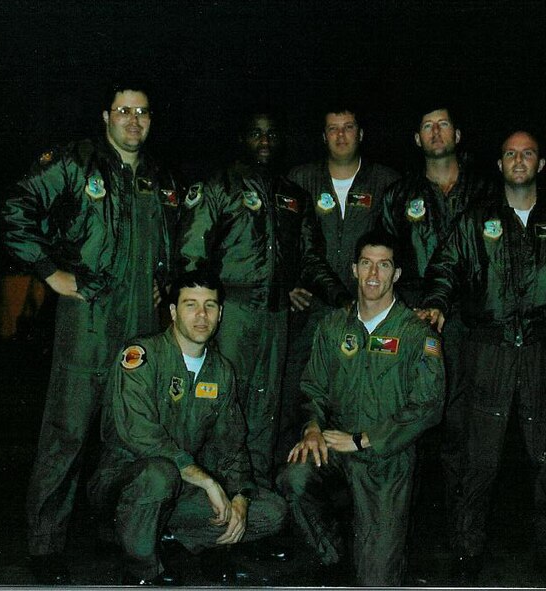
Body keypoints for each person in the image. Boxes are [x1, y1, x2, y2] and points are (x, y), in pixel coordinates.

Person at [0, 81, 181, 583]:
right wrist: (50, 272)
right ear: (106, 117)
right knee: (68, 432)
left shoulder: (160, 175)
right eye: (124, 111)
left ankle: (119, 533)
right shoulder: (77, 163)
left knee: (129, 433)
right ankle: (44, 546)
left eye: (143, 112)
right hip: (90, 316)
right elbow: (16, 207)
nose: (134, 120)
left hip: (142, 322)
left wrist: (166, 282)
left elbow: (173, 236)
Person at [419, 130, 546, 583]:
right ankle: (466, 556)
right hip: (488, 349)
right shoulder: (476, 219)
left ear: (541, 164)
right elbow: (446, 266)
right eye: (510, 153)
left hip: (542, 352)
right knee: (477, 462)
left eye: (528, 153)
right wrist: (437, 300)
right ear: (500, 164)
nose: (519, 160)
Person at [176, 109, 347, 490]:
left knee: (266, 410)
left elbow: (310, 259)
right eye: (256, 134)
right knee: (219, 403)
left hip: (275, 317)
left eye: (271, 135)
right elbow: (191, 257)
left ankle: (253, 504)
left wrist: (342, 298)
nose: (264, 142)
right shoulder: (219, 187)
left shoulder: (293, 196)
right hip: (231, 313)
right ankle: (206, 502)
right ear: (242, 139)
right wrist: (203, 315)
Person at [87, 270, 286, 585]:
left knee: (271, 511)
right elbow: (141, 435)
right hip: (124, 482)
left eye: (210, 305)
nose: (201, 315)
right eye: (190, 305)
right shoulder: (141, 356)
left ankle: (163, 533)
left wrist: (240, 496)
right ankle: (141, 567)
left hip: (180, 487)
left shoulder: (221, 371)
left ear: (221, 314)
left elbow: (231, 446)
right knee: (159, 473)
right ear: (172, 312)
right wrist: (207, 482)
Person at [280, 230, 445, 586]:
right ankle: (335, 555)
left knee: (377, 580)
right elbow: (312, 388)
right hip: (337, 444)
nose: (373, 275)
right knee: (294, 477)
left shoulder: (417, 333)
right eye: (366, 264)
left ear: (396, 274)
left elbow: (429, 404)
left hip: (386, 455)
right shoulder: (333, 326)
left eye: (383, 266)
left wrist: (366, 439)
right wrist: (311, 428)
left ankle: (370, 561)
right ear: (354, 269)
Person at [376, 104, 489, 555]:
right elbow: (382, 259)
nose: (436, 132)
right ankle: (408, 540)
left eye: (443, 124)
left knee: (464, 433)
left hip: (471, 322)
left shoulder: (485, 191)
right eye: (427, 126)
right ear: (416, 139)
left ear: (458, 134)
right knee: (411, 429)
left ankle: (464, 542)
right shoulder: (399, 195)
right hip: (413, 321)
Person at [281, 106, 400, 463]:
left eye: (349, 127)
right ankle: (299, 473)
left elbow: (400, 244)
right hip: (310, 310)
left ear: (361, 133)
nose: (341, 136)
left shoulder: (386, 181)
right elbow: (283, 240)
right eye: (333, 129)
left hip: (369, 311)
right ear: (323, 136)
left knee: (364, 394)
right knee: (299, 394)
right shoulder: (299, 179)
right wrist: (286, 285)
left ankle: (362, 478)